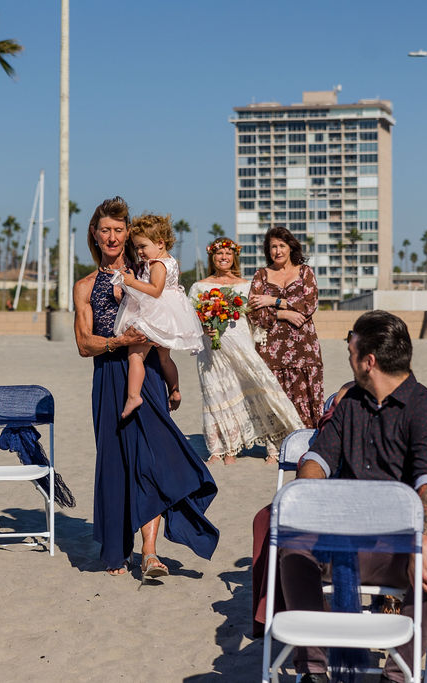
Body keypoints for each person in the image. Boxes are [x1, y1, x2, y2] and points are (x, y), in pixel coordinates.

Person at [278, 311, 427, 683]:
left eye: (351, 351)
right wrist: (307, 495)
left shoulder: (425, 408)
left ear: (368, 361)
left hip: (398, 545)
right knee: (294, 548)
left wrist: (421, 544)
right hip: (342, 538)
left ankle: (398, 672)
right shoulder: (350, 405)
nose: (349, 357)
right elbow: (318, 458)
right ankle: (313, 669)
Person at [74, 196, 219, 578]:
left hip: (148, 370)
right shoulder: (85, 286)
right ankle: (116, 549)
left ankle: (150, 552)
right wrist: (120, 343)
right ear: (94, 233)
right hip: (108, 374)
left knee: (151, 458)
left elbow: (167, 301)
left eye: (119, 230)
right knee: (115, 461)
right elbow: (83, 344)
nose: (112, 236)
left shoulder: (148, 266)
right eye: (105, 229)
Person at [188, 237, 302, 464]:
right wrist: (204, 328)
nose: (223, 257)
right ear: (212, 257)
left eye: (228, 254)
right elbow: (189, 319)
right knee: (217, 393)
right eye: (219, 253)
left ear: (234, 257)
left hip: (242, 346)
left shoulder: (246, 285)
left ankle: (275, 447)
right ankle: (224, 449)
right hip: (213, 351)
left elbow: (256, 317)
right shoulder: (199, 287)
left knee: (259, 388)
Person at [112, 213, 203, 418]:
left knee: (135, 355)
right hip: (169, 314)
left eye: (143, 246)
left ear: (160, 243)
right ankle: (174, 389)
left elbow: (155, 290)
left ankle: (133, 395)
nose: (140, 252)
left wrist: (130, 281)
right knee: (164, 359)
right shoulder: (169, 261)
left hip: (156, 314)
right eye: (136, 247)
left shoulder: (158, 264)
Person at [247, 226, 324, 429]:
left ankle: (308, 438)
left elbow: (309, 305)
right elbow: (254, 313)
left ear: (291, 247)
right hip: (272, 347)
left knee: (306, 395)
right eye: (273, 247)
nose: (278, 251)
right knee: (275, 394)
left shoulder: (305, 272)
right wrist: (285, 313)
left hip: (304, 347)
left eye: (282, 245)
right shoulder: (261, 275)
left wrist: (273, 301)